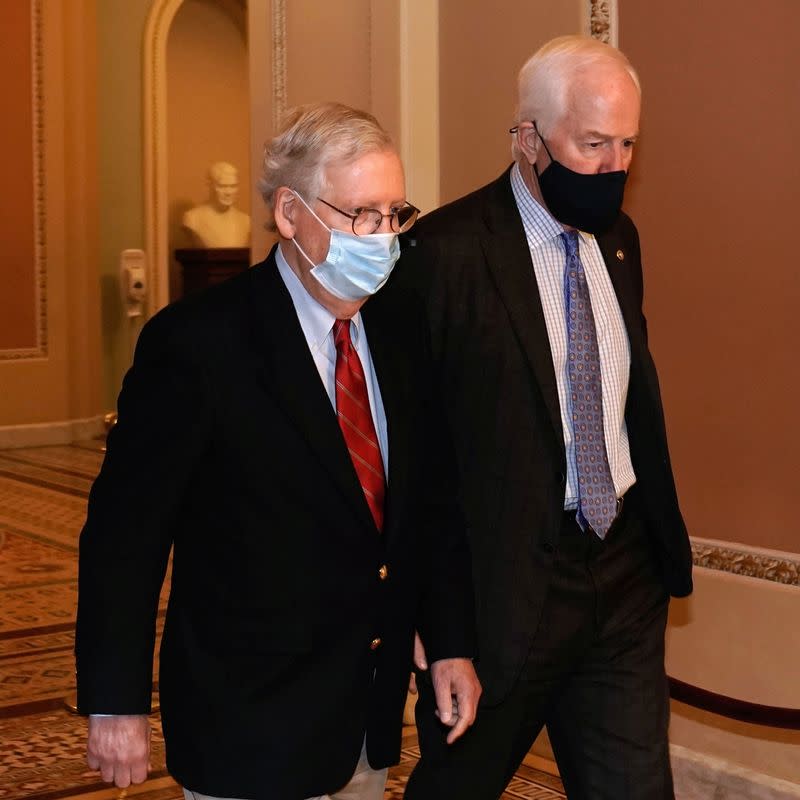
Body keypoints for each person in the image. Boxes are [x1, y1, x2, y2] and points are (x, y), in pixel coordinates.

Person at [75, 102, 480, 800]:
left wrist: (448, 641)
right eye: (359, 215)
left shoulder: (401, 326)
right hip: (247, 718)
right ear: (290, 213)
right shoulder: (199, 344)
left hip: (364, 714)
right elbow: (125, 536)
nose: (381, 236)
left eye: (394, 214)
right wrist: (117, 702)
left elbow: (428, 502)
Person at [396, 35, 693, 799]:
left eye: (627, 143)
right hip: (505, 591)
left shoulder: (620, 241)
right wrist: (444, 625)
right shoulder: (444, 254)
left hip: (623, 570)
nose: (614, 166)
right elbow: (421, 465)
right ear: (529, 138)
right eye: (592, 143)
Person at [182, 161, 251, 248]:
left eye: (233, 186)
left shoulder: (245, 221)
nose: (228, 192)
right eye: (222, 186)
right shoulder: (193, 218)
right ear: (210, 186)